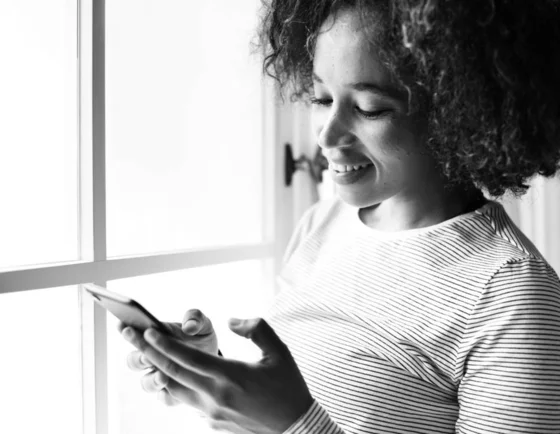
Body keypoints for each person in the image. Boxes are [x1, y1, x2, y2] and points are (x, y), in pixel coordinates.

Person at [119, 1, 560, 433]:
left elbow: (299, 420)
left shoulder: (512, 296)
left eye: (369, 108)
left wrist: (294, 423)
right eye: (321, 97)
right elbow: (313, 403)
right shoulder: (324, 223)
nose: (327, 134)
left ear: (458, 112)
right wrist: (216, 383)